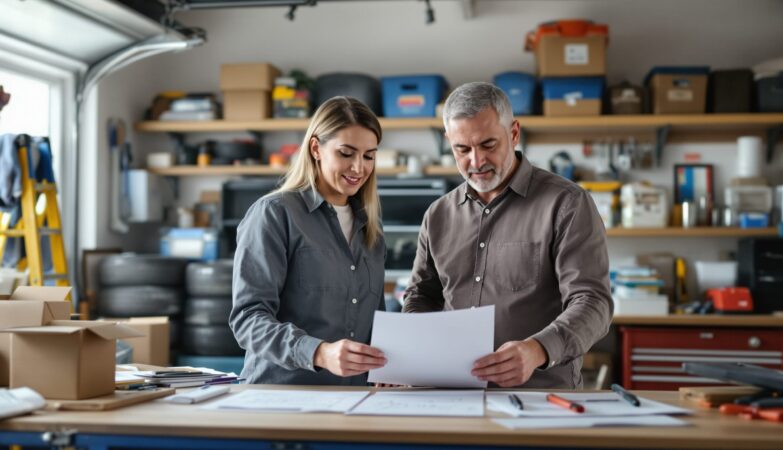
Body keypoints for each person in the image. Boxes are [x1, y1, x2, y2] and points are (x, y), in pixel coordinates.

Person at [403, 82, 613, 389]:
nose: (476, 162)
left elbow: (593, 303)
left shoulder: (566, 203)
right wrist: (408, 355)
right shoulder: (438, 215)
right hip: (452, 394)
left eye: (488, 145)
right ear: (449, 141)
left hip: (539, 398)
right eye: (462, 149)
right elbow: (421, 297)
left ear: (513, 133)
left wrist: (537, 350)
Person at [231, 96, 387, 385]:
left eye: (368, 156)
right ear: (316, 148)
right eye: (346, 153)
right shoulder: (275, 214)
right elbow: (248, 320)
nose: (359, 167)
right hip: (282, 398)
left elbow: (375, 325)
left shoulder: (371, 231)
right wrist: (319, 353)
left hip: (355, 401)